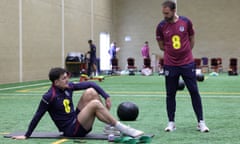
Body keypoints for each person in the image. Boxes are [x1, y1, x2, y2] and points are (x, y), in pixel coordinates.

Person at [11, 67, 144, 140]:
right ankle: (125, 129)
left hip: (76, 120)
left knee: (91, 92)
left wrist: (106, 96)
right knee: (94, 104)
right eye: (64, 78)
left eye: (67, 77)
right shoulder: (49, 96)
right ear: (56, 82)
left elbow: (91, 83)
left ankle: (111, 125)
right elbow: (38, 115)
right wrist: (27, 135)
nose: (67, 80)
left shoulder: (68, 87)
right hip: (71, 130)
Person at [156, 1, 209, 132]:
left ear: (174, 11)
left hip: (187, 63)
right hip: (170, 64)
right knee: (170, 94)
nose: (164, 15)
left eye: (167, 13)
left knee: (194, 91)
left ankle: (201, 122)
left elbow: (192, 39)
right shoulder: (161, 26)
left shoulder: (186, 22)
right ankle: (171, 122)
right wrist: (172, 54)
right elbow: (161, 45)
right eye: (163, 13)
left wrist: (185, 53)